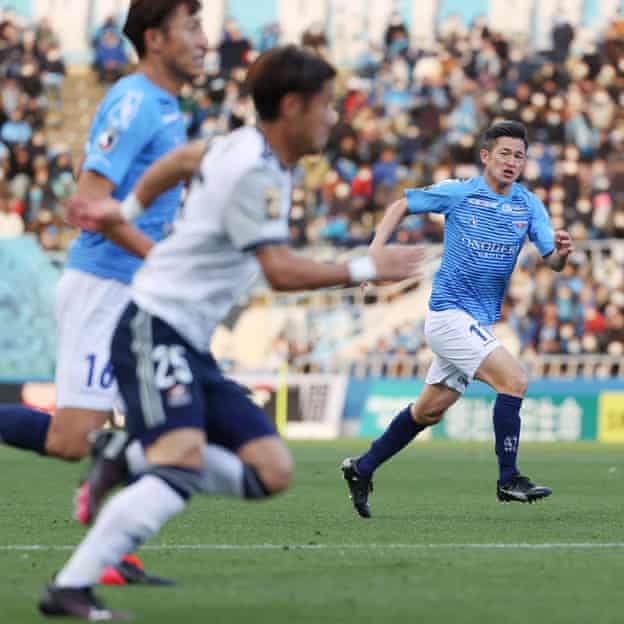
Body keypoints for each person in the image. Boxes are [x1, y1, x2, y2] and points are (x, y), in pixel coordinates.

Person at [37, 44, 423, 620]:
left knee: (272, 471)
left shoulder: (242, 146)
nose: (333, 118)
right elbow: (278, 270)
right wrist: (367, 268)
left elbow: (185, 159)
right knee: (181, 464)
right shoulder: (254, 172)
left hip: (185, 339)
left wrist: (130, 205)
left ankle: (127, 455)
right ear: (292, 107)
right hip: (153, 329)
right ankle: (71, 586)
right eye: (325, 106)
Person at [0, 0, 208, 585]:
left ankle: (115, 552)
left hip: (135, 291)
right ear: (155, 38)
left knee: (156, 423)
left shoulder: (168, 107)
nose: (202, 38)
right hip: (103, 289)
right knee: (72, 439)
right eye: (190, 27)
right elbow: (88, 205)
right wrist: (159, 257)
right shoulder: (137, 101)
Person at [341, 120, 574, 518]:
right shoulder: (460, 193)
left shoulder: (528, 204)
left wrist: (562, 254)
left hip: (475, 324)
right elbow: (401, 205)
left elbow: (551, 260)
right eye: (504, 153)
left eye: (519, 155)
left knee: (428, 411)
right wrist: (373, 256)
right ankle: (508, 479)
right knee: (514, 379)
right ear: (485, 156)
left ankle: (362, 468)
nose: (512, 161)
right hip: (448, 316)